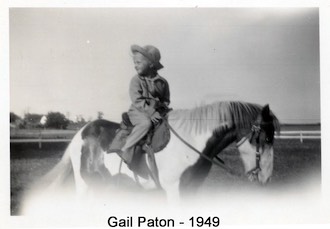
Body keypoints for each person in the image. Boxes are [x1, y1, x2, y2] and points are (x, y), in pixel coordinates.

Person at [120, 45, 170, 184]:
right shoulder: (136, 80)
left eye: (138, 62)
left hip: (157, 111)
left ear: (151, 64)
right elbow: (136, 99)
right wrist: (151, 111)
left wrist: (163, 108)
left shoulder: (163, 83)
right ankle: (127, 149)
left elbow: (166, 99)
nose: (135, 66)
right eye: (134, 63)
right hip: (138, 111)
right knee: (146, 123)